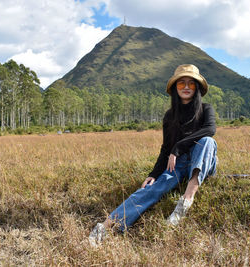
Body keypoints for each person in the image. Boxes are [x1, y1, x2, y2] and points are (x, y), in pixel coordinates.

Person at [89, 64, 218, 246]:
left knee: (207, 141)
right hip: (179, 163)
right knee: (153, 188)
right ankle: (105, 227)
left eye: (191, 84)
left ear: (197, 88)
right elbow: (166, 148)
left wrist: (178, 147)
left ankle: (186, 201)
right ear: (175, 88)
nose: (187, 87)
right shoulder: (169, 116)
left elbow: (210, 130)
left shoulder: (206, 109)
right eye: (182, 84)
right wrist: (153, 174)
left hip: (204, 159)